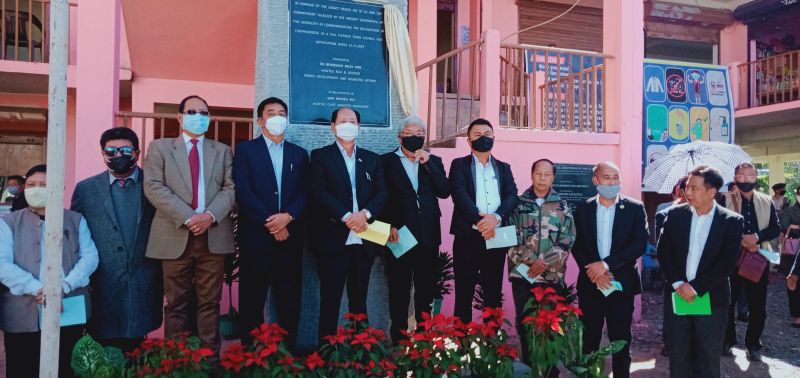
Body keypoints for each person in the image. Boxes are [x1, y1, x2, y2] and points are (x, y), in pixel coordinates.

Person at [143, 95, 235, 362]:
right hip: (174, 235)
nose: (199, 116)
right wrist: (188, 216)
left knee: (210, 304)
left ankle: (209, 362)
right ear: (180, 117)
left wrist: (209, 216)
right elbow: (153, 187)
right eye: (193, 111)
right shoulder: (160, 148)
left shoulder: (222, 150)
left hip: (213, 237)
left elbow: (230, 189)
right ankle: (176, 362)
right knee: (176, 305)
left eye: (204, 112)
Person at [0, 164, 99, 378]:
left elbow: (90, 258)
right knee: (23, 366)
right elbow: (2, 264)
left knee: (67, 366)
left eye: (44, 185)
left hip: (69, 307)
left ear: (58, 188)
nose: (36, 189)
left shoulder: (75, 220)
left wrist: (62, 287)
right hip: (22, 312)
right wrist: (36, 288)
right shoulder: (8, 223)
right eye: (31, 185)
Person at [70, 127, 162, 353]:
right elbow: (74, 233)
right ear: (103, 154)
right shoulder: (86, 189)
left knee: (137, 344)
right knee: (104, 343)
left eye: (125, 150)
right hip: (102, 278)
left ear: (137, 153)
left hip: (145, 276)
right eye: (111, 151)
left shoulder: (155, 186)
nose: (117, 155)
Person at [233, 97, 308, 350]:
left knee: (289, 296)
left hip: (290, 237)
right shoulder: (245, 151)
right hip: (256, 236)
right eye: (271, 113)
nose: (277, 117)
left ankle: (288, 351)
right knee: (252, 297)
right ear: (260, 121)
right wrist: (273, 223)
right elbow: (244, 191)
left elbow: (305, 192)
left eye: (282, 113)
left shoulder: (299, 154)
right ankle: (250, 352)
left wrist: (288, 217)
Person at [309, 107, 387, 342]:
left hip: (364, 238)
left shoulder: (372, 159)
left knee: (359, 300)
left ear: (359, 127)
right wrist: (346, 216)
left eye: (352, 121)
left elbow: (383, 192)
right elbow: (318, 191)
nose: (348, 124)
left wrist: (364, 214)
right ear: (333, 127)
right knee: (330, 300)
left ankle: (360, 351)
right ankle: (326, 354)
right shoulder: (320, 156)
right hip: (334, 238)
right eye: (342, 121)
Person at [659, 165, 743, 378]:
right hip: (678, 296)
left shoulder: (731, 221)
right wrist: (679, 284)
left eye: (694, 188)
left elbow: (727, 262)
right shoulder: (675, 215)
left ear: (711, 192)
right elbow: (664, 251)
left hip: (711, 298)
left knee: (707, 357)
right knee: (678, 355)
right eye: (687, 187)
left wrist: (695, 287)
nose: (687, 192)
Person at [571, 161, 648, 378]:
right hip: (591, 283)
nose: (612, 182)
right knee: (589, 339)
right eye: (607, 177)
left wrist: (605, 265)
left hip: (621, 283)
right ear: (596, 180)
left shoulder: (634, 208)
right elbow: (577, 244)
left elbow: (639, 244)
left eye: (616, 177)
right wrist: (594, 272)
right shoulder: (583, 208)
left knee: (621, 340)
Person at [381, 115, 450, 345]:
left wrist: (427, 163)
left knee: (425, 290)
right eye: (410, 133)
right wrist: (387, 224)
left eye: (420, 133)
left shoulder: (434, 161)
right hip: (399, 234)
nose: (415, 137)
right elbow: (380, 196)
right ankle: (399, 341)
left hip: (428, 234)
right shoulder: (385, 162)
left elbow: (444, 191)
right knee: (399, 289)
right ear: (399, 136)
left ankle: (423, 339)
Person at [448, 118, 519, 322]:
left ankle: (492, 345)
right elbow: (458, 194)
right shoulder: (459, 165)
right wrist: (481, 223)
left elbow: (512, 196)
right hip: (467, 237)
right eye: (477, 135)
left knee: (493, 293)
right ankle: (461, 345)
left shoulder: (504, 168)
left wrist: (495, 218)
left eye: (487, 134)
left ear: (494, 138)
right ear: (469, 141)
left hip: (496, 236)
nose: (483, 138)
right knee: (463, 292)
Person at [507, 158, 575, 369]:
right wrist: (530, 262)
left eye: (547, 174)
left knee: (550, 327)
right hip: (523, 276)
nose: (542, 178)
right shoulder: (517, 204)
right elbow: (508, 237)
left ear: (553, 177)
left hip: (551, 277)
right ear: (531, 174)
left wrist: (543, 262)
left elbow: (568, 239)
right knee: (525, 324)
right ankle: (529, 368)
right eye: (538, 173)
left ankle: (550, 372)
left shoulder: (563, 206)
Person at [722, 162, 780, 362]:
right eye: (741, 176)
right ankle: (727, 341)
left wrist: (756, 237)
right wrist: (739, 240)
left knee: (758, 306)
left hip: (757, 259)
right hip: (730, 260)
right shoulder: (724, 199)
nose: (746, 180)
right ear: (735, 177)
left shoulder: (766, 201)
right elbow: (718, 227)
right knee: (727, 303)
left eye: (750, 176)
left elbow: (775, 228)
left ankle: (753, 344)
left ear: (756, 178)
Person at [654, 176, 688, 357]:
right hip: (674, 269)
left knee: (692, 308)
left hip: (695, 272)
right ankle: (670, 342)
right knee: (672, 309)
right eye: (688, 187)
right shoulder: (665, 212)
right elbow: (662, 244)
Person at [779, 185, 800, 328]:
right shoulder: (790, 211)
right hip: (793, 252)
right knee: (793, 283)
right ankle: (798, 315)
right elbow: (783, 229)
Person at [771, 183, 790, 253]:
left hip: (784, 227)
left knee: (785, 246)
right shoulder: (769, 200)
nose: (784, 190)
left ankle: (783, 262)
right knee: (774, 247)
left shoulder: (786, 200)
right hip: (773, 227)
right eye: (782, 189)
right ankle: (776, 262)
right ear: (776, 190)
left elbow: (789, 214)